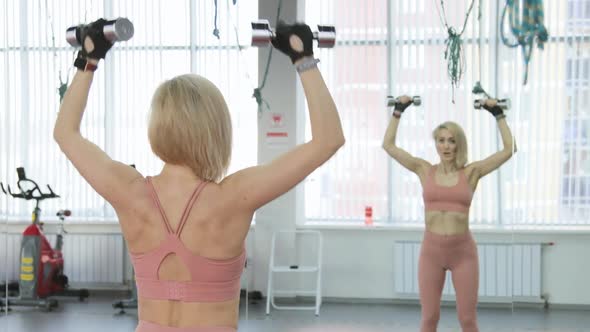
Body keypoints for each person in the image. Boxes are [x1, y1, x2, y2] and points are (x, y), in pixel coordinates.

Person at [54, 19, 345, 332]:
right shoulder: (233, 197)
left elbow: (65, 133)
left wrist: (89, 57)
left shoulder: (130, 192)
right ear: (217, 131)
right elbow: (329, 139)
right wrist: (303, 59)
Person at [382, 96, 516, 332]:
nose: (446, 146)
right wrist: (398, 111)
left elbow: (509, 149)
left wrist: (498, 114)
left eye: (451, 141)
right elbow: (389, 146)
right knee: (429, 318)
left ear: (459, 145)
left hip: (463, 253)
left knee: (467, 319)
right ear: (436, 144)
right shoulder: (424, 170)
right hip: (431, 253)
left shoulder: (472, 172)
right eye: (441, 141)